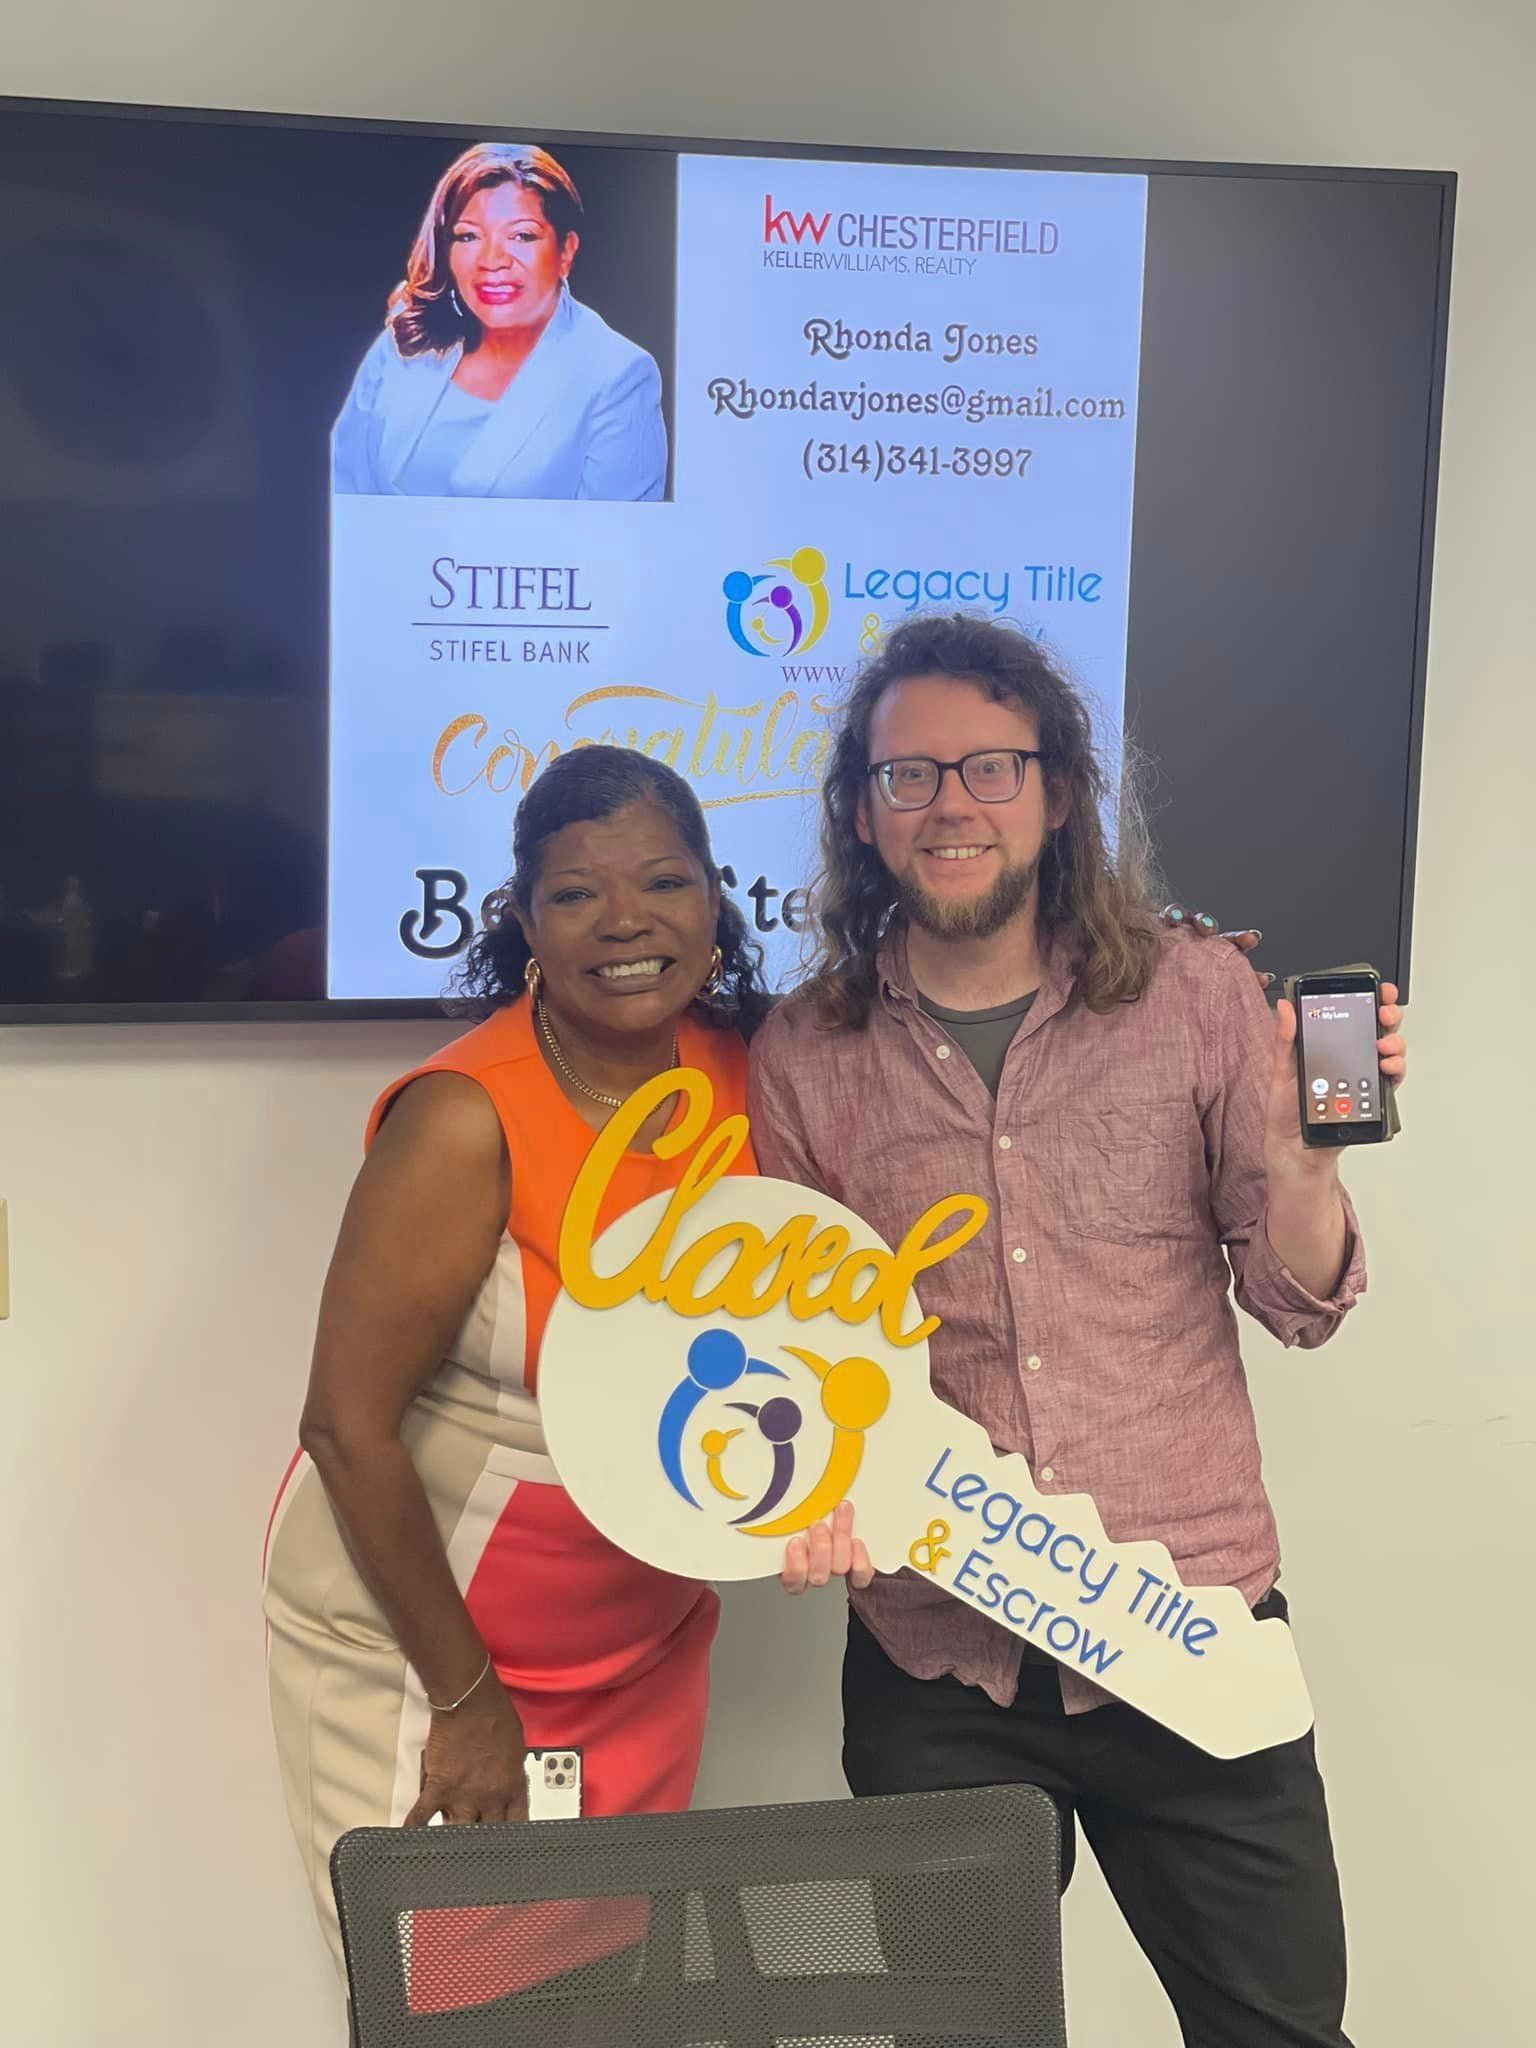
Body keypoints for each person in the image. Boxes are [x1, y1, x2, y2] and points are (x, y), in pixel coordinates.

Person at [749, 613, 1408, 2048]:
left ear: (1057, 793)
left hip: (1192, 1626)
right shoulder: (804, 1050)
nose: (952, 805)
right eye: (910, 775)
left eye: (991, 766)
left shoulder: (1197, 993)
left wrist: (1305, 1162)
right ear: (862, 813)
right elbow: (798, 1353)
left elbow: (1297, 1303)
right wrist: (802, 1490)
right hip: (940, 1661)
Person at [262, 747, 793, 2015]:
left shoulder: (758, 1073)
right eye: (575, 893)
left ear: (715, 896)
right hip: (426, 1652)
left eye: (663, 881)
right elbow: (344, 1425)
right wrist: (467, 1700)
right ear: (524, 921)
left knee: (610, 1999)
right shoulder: (464, 1116)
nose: (626, 921)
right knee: (453, 2004)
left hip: (641, 1644)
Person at [332, 142, 667, 500]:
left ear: (565, 251)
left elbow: (612, 533)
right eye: (468, 236)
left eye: (522, 236)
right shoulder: (406, 339)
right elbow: (341, 492)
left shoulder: (619, 376)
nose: (492, 260)